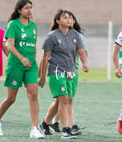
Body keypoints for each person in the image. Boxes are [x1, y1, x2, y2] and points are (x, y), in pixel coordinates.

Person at [0, 0, 44, 139]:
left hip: (30, 66)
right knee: (11, 98)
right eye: (26, 8)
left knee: (33, 94)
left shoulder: (33, 25)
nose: (29, 10)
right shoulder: (13, 24)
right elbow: (10, 46)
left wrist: (35, 63)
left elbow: (34, 46)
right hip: (16, 65)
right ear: (19, 10)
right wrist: (22, 58)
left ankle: (34, 128)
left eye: (31, 7)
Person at [38, 9, 89, 139]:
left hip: (70, 73)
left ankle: (44, 124)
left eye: (70, 18)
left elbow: (82, 52)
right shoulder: (51, 36)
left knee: (60, 101)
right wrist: (42, 77)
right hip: (56, 72)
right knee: (64, 99)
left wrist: (85, 63)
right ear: (57, 21)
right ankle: (66, 130)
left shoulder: (75, 35)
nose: (69, 19)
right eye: (65, 17)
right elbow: (45, 58)